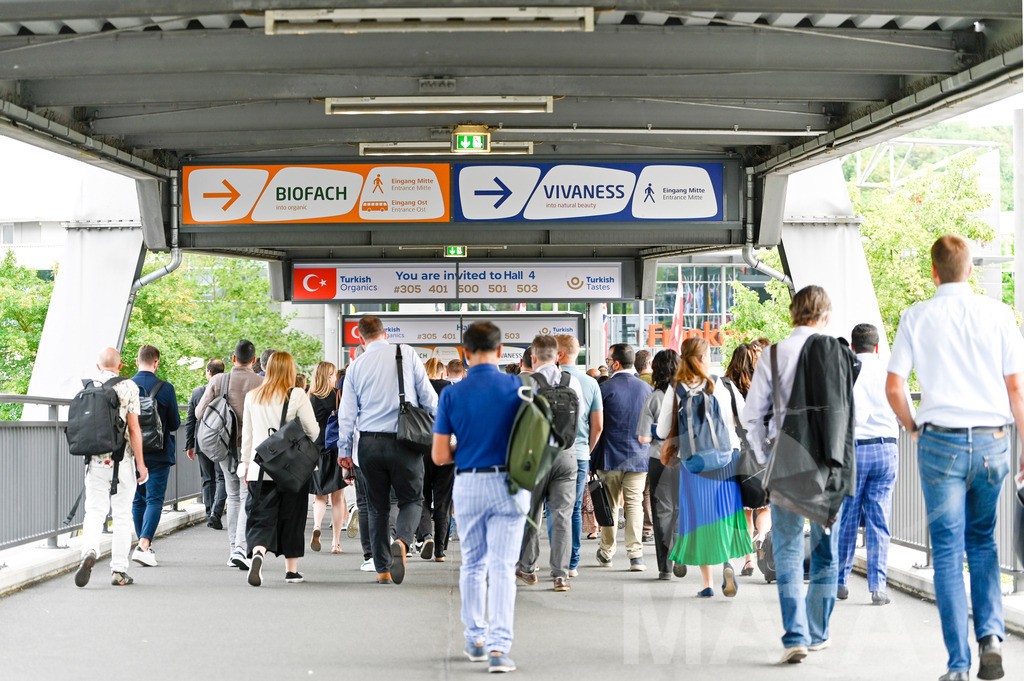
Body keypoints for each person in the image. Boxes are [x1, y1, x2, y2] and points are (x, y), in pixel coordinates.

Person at [886, 235, 1024, 681]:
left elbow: (894, 387)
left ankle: (958, 666)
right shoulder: (1000, 315)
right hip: (991, 443)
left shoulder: (916, 316)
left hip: (939, 443)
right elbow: (1016, 388)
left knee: (947, 551)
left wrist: (912, 428)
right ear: (969, 270)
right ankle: (991, 639)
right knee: (982, 540)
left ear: (934, 271)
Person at [744, 285, 859, 664]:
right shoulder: (838, 354)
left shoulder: (773, 354)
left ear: (793, 313)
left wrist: (765, 454)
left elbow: (751, 416)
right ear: (826, 315)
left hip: (787, 461)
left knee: (789, 549)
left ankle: (794, 635)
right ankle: (818, 631)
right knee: (826, 551)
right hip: (828, 464)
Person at [431, 321, 531, 673]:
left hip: (470, 484)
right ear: (501, 351)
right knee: (503, 568)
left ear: (465, 353)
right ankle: (499, 649)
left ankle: (475, 638)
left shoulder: (452, 395)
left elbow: (440, 456)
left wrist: (468, 448)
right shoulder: (518, 387)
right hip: (511, 485)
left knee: (473, 564)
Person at [335, 315, 438, 585]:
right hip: (406, 441)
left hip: (369, 444)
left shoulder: (355, 367)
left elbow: (346, 414)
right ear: (385, 332)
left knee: (377, 507)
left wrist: (344, 449)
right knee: (412, 499)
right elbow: (429, 398)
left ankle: (382, 569)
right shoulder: (406, 353)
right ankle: (403, 542)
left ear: (360, 338)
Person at [657, 338, 752, 596]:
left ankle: (707, 584)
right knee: (725, 515)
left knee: (699, 520)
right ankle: (728, 564)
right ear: (704, 358)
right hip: (726, 459)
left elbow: (662, 430)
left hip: (694, 464)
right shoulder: (722, 384)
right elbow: (747, 420)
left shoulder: (676, 388)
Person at [836, 323, 908, 606]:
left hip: (854, 451)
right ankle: (878, 588)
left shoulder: (847, 373)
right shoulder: (891, 373)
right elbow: (905, 414)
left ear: (853, 346)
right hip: (885, 450)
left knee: (848, 519)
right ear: (877, 347)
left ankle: (841, 582)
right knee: (879, 519)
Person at [240, 351, 319, 586]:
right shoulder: (296, 394)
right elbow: (313, 431)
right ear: (290, 369)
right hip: (291, 470)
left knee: (261, 517)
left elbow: (248, 436)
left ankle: (258, 553)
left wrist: (245, 466)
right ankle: (291, 571)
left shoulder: (252, 396)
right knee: (292, 517)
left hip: (260, 468)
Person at [74, 348, 148, 587]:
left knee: (94, 511)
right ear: (121, 365)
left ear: (99, 367)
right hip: (122, 461)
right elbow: (135, 429)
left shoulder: (90, 387)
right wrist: (141, 464)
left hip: (94, 462)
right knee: (122, 515)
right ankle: (118, 570)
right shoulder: (129, 387)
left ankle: (90, 550)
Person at [515, 335, 582, 592]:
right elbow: (580, 419)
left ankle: (528, 569)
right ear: (557, 356)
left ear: (533, 357)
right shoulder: (572, 381)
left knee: (531, 514)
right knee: (562, 515)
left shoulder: (527, 383)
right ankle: (560, 575)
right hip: (567, 455)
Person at [196, 339, 264, 569]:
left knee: (232, 495)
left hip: (224, 446)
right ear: (253, 360)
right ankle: (240, 549)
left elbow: (198, 412)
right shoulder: (261, 382)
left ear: (233, 358)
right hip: (252, 449)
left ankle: (233, 548)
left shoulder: (218, 380)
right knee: (246, 496)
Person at [592, 344, 652, 571]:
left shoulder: (604, 389)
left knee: (609, 505)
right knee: (634, 505)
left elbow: (597, 425)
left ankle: (606, 552)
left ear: (616, 363)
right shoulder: (646, 389)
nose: (607, 362)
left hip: (609, 458)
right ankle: (636, 555)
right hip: (639, 457)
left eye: (608, 359)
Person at [555, 334, 603, 576]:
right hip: (581, 453)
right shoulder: (591, 382)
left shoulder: (549, 380)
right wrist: (588, 449)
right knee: (574, 508)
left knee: (554, 507)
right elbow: (598, 425)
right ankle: (572, 562)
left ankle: (558, 561)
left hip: (552, 452)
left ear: (559, 354)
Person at [130, 344, 180, 568]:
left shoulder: (126, 386)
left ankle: (144, 544)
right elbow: (175, 423)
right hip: (159, 453)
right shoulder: (166, 388)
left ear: (136, 361)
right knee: (154, 499)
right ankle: (143, 544)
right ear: (157, 362)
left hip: (132, 452)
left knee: (138, 498)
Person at [724, 343, 770, 576]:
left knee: (745, 511)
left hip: (734, 452)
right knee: (763, 506)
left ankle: (749, 560)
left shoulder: (725, 386)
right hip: (757, 451)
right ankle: (761, 538)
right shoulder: (760, 385)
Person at [637, 349, 683, 581]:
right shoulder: (688, 396)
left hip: (659, 460)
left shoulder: (654, 398)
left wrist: (658, 431)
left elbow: (643, 438)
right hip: (686, 460)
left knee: (661, 512)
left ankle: (665, 567)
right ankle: (681, 555)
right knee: (680, 509)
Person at [417, 357, 455, 561]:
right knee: (444, 501)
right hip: (446, 447)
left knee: (421, 497)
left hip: (422, 447)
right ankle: (440, 550)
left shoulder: (419, 389)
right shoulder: (449, 388)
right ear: (442, 372)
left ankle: (426, 536)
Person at [308, 361, 347, 555]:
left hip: (316, 449)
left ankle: (317, 526)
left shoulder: (310, 397)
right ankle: (336, 542)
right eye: (332, 374)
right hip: (334, 448)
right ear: (328, 376)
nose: (335, 378)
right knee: (337, 497)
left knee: (319, 496)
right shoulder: (336, 397)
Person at [186, 359, 227, 529]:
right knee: (222, 477)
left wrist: (189, 444)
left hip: (202, 441)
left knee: (207, 478)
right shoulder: (227, 391)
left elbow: (190, 420)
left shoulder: (197, 393)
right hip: (223, 441)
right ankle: (216, 513)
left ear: (208, 373)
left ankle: (209, 512)